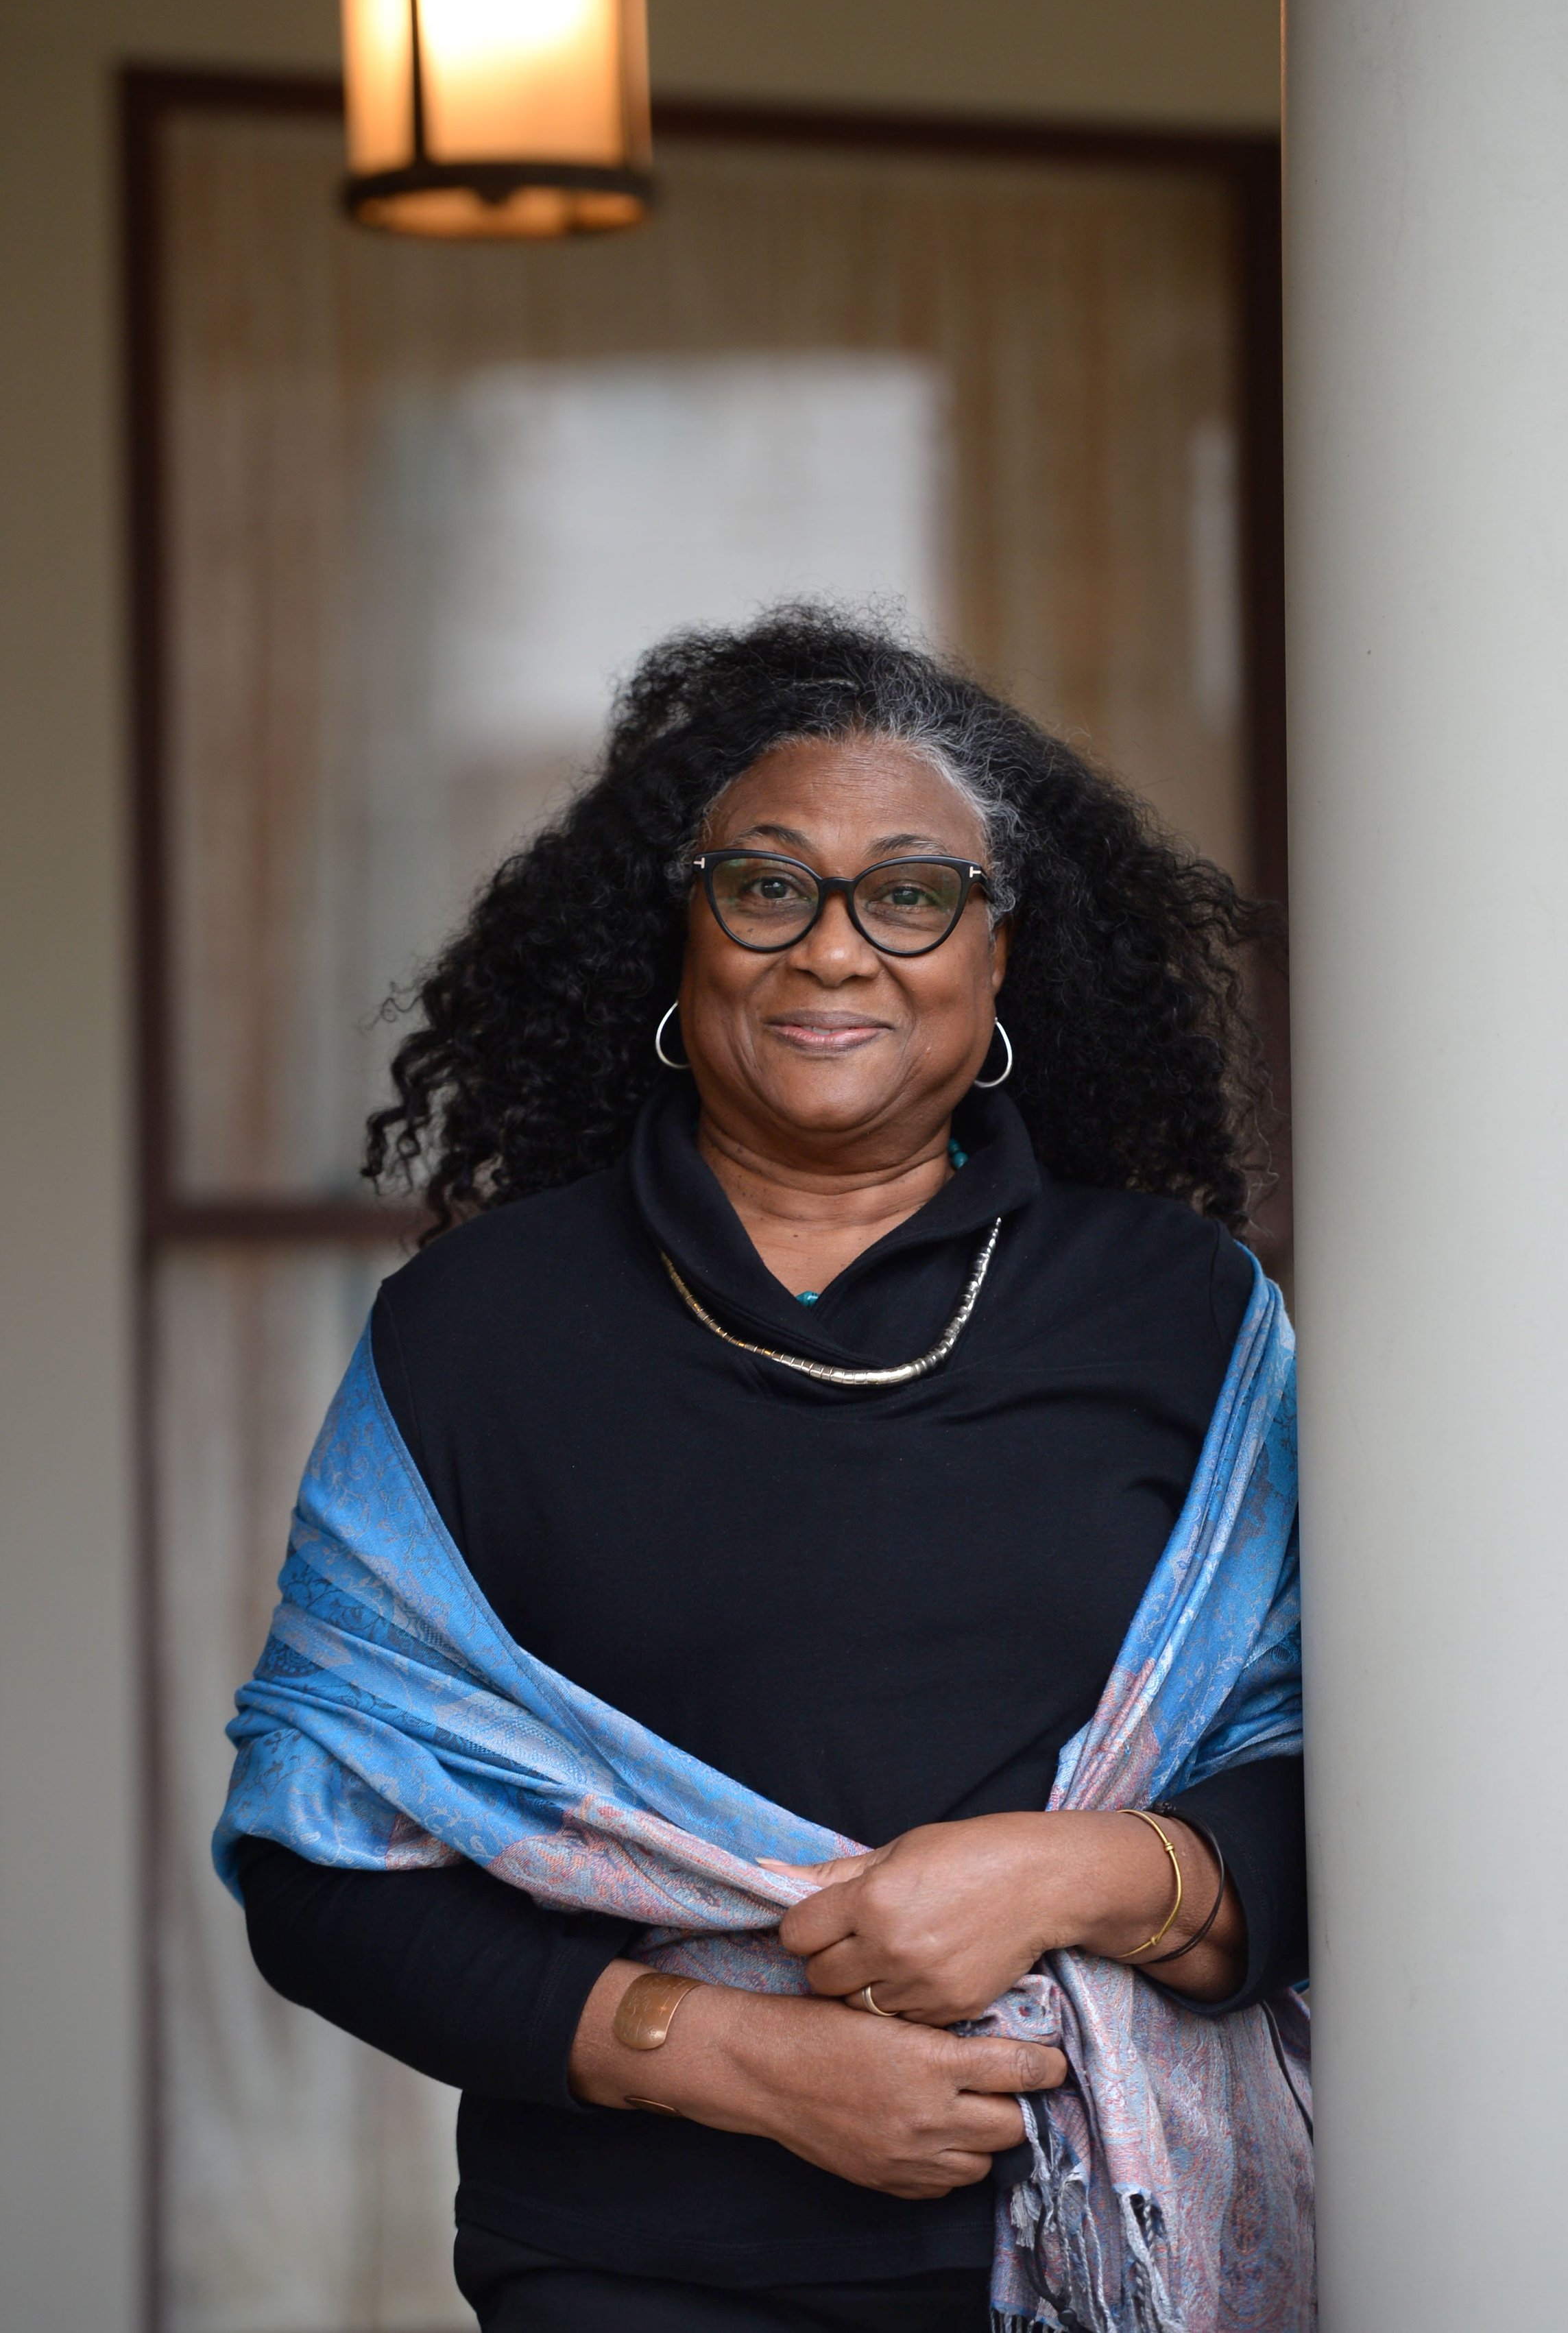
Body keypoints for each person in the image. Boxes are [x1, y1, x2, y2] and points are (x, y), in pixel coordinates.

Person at [220, 607, 1310, 2333]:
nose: (833, 950)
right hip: (634, 2272)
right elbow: (319, 1862)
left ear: (999, 952)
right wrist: (735, 2059)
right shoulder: (480, 1329)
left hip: (1117, 2255)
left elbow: (1348, 1778)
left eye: (911, 893)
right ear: (684, 932)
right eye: (767, 886)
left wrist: (1089, 1872)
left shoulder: (1183, 1315)